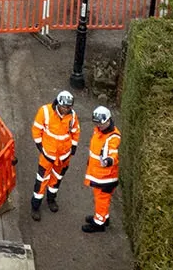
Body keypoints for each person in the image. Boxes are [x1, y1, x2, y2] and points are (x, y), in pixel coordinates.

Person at [29, 89, 79, 217]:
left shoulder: (72, 116)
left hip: (63, 158)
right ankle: (35, 207)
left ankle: (51, 200)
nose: (66, 109)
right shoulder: (45, 112)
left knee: (56, 180)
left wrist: (72, 148)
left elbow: (75, 132)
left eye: (68, 107)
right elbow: (36, 130)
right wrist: (41, 147)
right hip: (47, 156)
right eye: (64, 107)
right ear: (58, 103)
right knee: (41, 181)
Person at [82, 105, 122, 233]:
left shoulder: (113, 137)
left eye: (101, 124)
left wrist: (109, 160)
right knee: (101, 199)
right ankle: (104, 218)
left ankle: (99, 224)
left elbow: (113, 152)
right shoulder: (99, 130)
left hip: (105, 177)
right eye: (97, 123)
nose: (98, 126)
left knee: (101, 200)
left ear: (108, 120)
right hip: (99, 173)